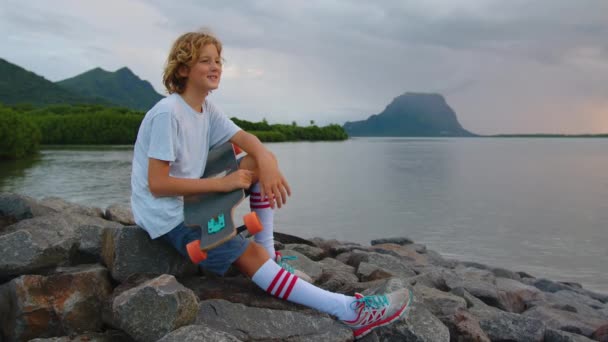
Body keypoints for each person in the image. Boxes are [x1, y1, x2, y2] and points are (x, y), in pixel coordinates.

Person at [130, 29, 413, 339]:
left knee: (254, 161)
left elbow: (248, 141)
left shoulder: (206, 108)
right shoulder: (168, 114)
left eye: (218, 61)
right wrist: (222, 185)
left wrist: (267, 159)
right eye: (205, 61)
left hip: (192, 206)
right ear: (183, 69)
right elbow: (157, 184)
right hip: (171, 221)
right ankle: (351, 312)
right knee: (249, 256)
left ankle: (268, 254)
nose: (215, 67)